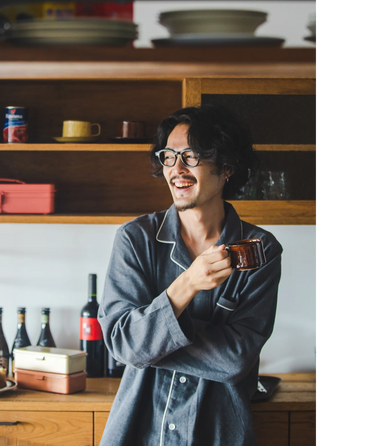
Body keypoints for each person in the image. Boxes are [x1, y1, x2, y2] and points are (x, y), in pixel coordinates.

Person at [99, 104, 283, 446]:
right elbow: (122, 344)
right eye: (169, 156)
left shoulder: (259, 249)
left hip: (217, 433)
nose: (177, 169)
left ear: (226, 166)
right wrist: (187, 285)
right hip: (137, 432)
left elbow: (235, 361)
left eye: (192, 155)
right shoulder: (135, 239)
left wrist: (149, 344)